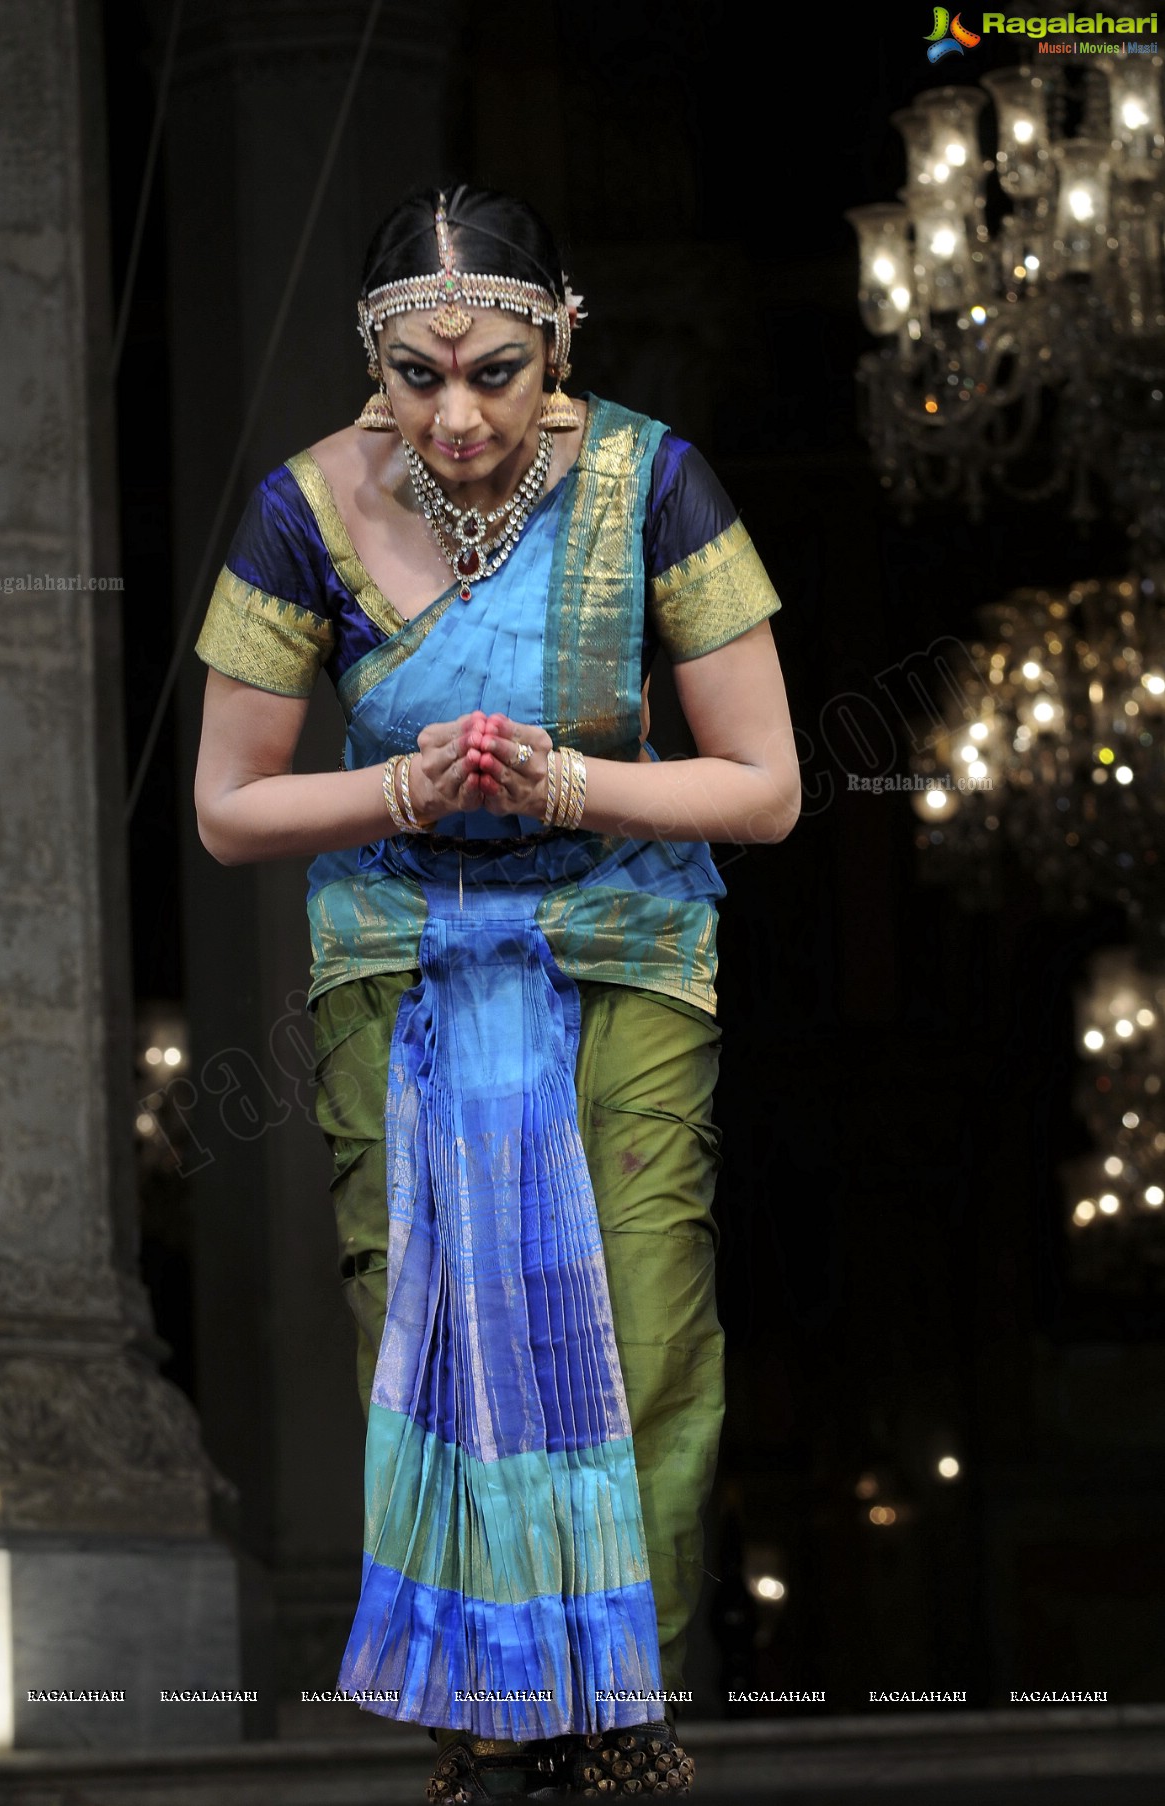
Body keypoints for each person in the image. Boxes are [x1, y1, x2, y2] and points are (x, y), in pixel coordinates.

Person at [194, 183, 800, 1802]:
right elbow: (230, 805)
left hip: (619, 944)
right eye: (418, 376)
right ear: (373, 360)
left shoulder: (653, 483)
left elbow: (765, 786)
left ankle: (623, 1704)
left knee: (645, 1309)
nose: (457, 416)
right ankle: (485, 1712)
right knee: (430, 1321)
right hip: (402, 964)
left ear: (560, 343)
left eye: (498, 374)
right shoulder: (300, 512)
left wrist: (565, 786)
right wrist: (402, 793)